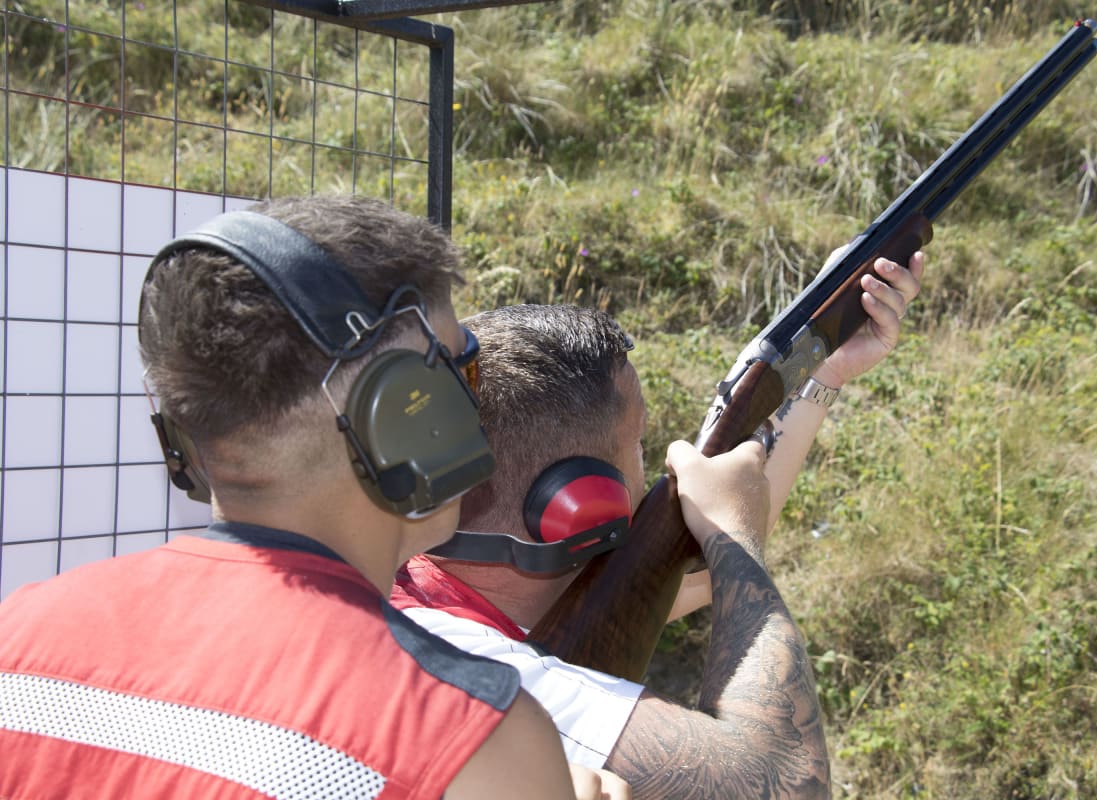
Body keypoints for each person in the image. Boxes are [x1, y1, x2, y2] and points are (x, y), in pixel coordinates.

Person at [0, 195, 627, 800]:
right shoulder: (468, 739)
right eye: (464, 369)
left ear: (184, 437)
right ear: (403, 416)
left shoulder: (19, 630)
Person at [391, 252, 925, 798]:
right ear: (581, 506)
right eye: (639, 442)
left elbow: (679, 580)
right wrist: (732, 535)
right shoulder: (479, 681)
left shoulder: (412, 576)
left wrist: (817, 374)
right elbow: (785, 783)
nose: (655, 462)